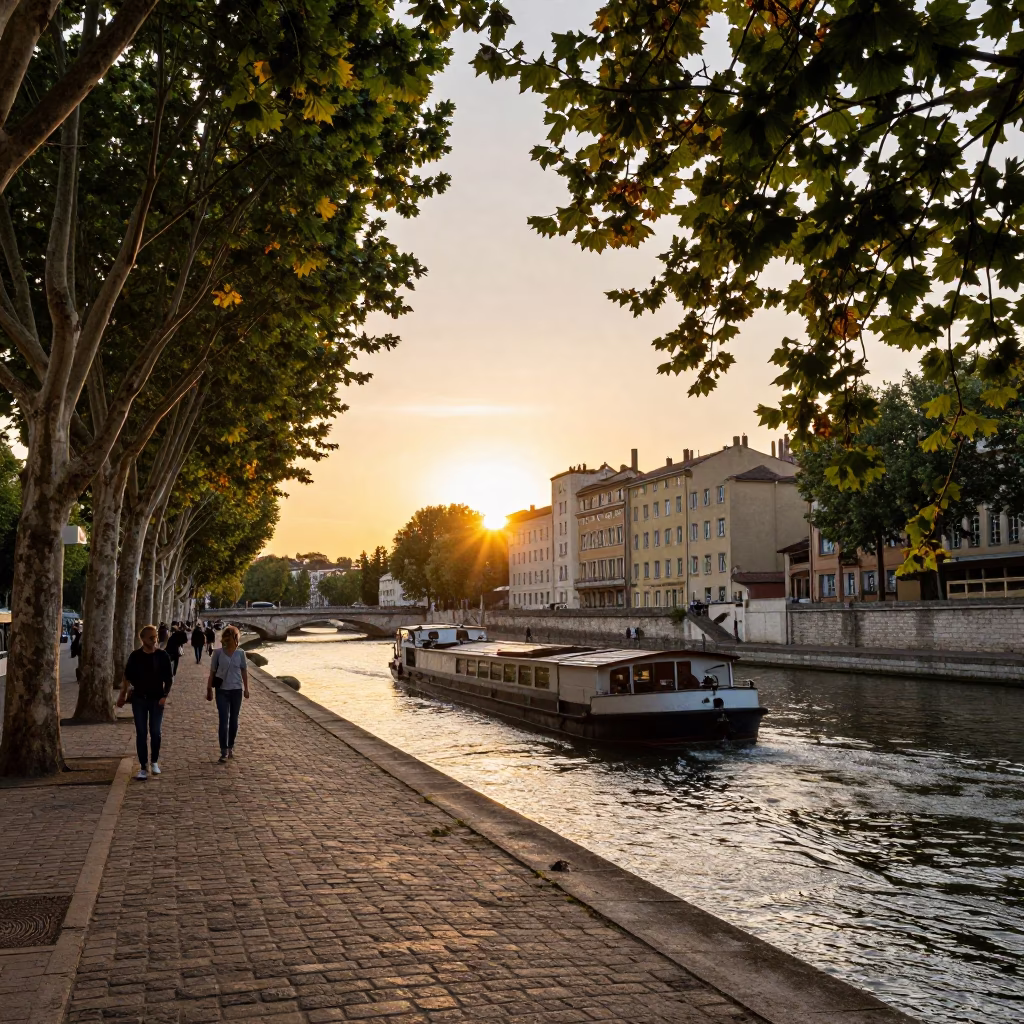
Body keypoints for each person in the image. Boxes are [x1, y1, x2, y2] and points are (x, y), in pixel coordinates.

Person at [116, 624, 173, 781]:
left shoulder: (163, 656)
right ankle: (143, 766)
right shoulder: (135, 656)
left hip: (157, 700)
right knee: (141, 733)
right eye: (151, 637)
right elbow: (126, 677)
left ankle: (154, 761)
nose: (155, 640)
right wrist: (122, 696)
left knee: (155, 732)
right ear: (142, 639)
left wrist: (165, 695)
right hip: (139, 699)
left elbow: (169, 678)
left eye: (156, 637)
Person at [207, 625, 249, 763]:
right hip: (222, 691)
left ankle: (230, 746)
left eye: (230, 636)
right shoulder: (218, 653)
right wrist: (209, 689)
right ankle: (223, 750)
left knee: (234, 721)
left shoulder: (240, 653)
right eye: (225, 636)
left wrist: (246, 688)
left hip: (236, 690)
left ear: (235, 638)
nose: (227, 639)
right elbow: (212, 671)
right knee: (223, 720)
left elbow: (244, 671)